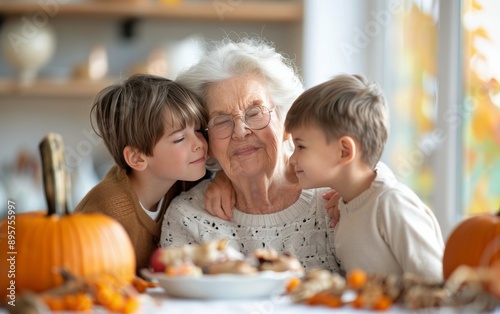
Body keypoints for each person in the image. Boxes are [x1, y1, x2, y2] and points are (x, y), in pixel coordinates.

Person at [160, 38, 340, 272]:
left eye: (255, 113)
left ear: (287, 123)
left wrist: (372, 181)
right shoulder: (189, 217)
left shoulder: (334, 200)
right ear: (207, 142)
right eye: (221, 121)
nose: (240, 131)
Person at [284, 74, 445, 280]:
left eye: (301, 147)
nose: (293, 158)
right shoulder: (344, 206)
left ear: (344, 151)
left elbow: (437, 286)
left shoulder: (392, 204)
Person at [74, 74, 209, 271]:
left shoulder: (184, 181)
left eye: (198, 130)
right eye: (180, 139)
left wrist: (222, 182)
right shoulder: (106, 211)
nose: (199, 143)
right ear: (137, 158)